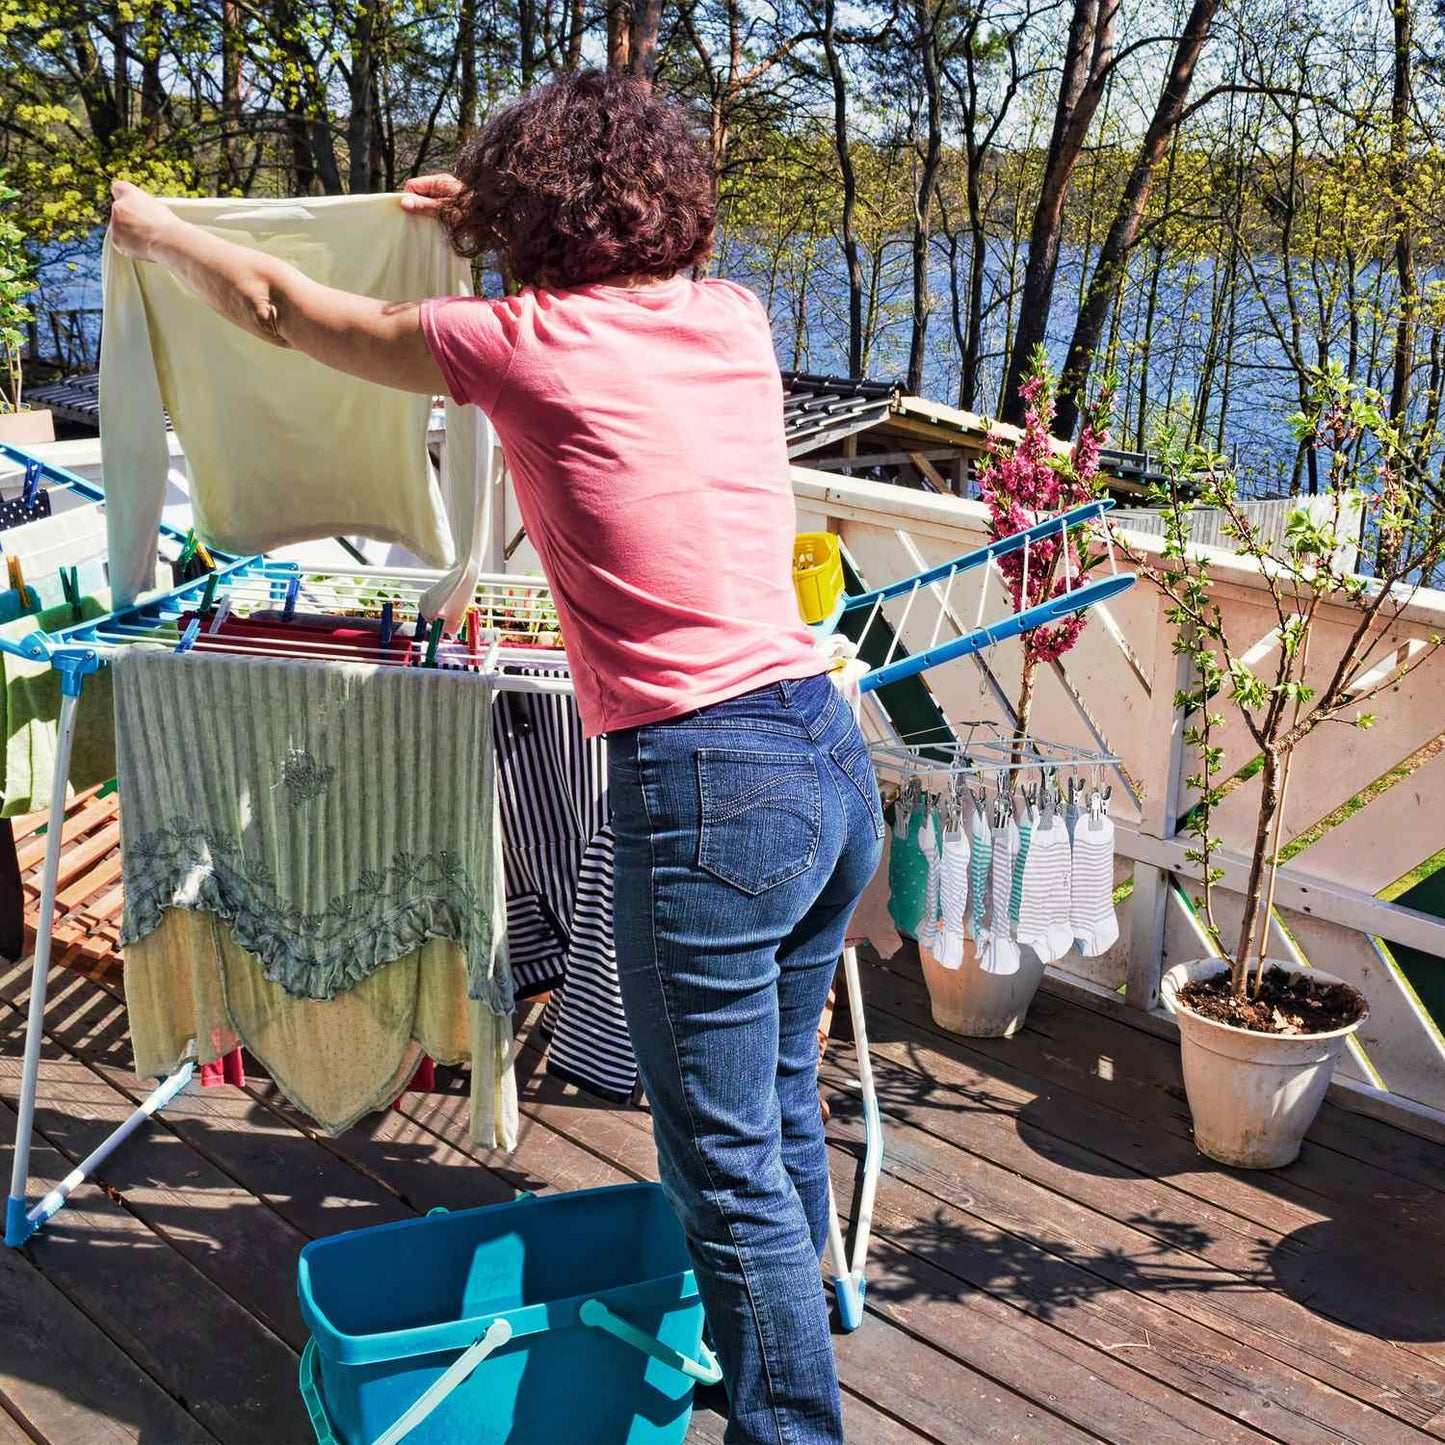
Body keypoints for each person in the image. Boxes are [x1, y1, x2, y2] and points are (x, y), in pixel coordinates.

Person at [107, 67, 883, 1445]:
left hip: (704, 779)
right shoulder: (730, 313)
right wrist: (488, 207)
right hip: (825, 754)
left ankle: (791, 1425)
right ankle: (785, 1339)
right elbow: (592, 248)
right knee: (772, 1104)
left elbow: (289, 311)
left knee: (723, 1162)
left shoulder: (523, 342)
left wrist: (153, 225)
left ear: (532, 213)